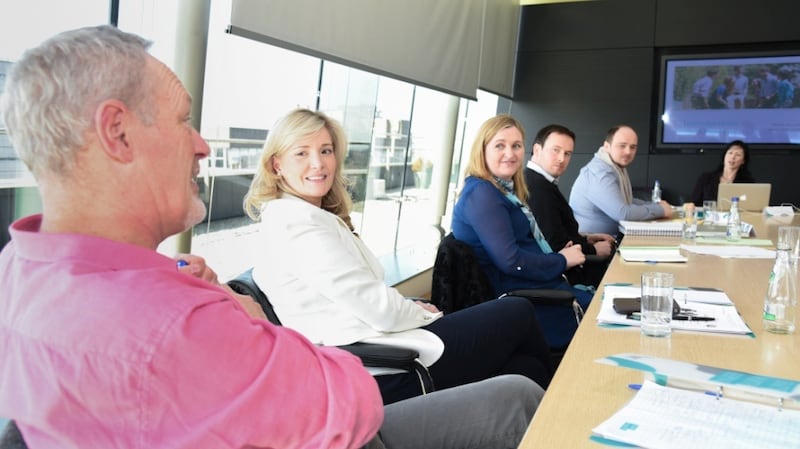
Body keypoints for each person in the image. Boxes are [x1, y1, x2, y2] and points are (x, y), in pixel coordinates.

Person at [0, 25, 542, 449]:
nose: (201, 147)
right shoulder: (174, 322)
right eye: (183, 122)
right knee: (518, 398)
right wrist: (244, 320)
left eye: (325, 151)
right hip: (349, 412)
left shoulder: (17, 270)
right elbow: (352, 405)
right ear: (117, 132)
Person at [245, 108, 554, 405]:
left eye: (326, 151)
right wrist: (425, 313)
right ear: (276, 165)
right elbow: (379, 310)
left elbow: (361, 297)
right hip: (378, 365)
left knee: (526, 368)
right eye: (302, 153)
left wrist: (409, 306)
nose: (318, 163)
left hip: (380, 341)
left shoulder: (305, 216)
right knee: (517, 311)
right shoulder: (296, 225)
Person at [450, 115, 591, 351]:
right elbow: (511, 262)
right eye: (500, 145)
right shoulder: (482, 194)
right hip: (526, 301)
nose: (510, 153)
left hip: (537, 289)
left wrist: (556, 259)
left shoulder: (502, 190)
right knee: (609, 316)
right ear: (482, 150)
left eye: (516, 146)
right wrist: (562, 260)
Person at [524, 124, 616, 288]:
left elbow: (554, 230)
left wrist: (586, 238)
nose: (562, 158)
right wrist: (594, 250)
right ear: (537, 150)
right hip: (563, 278)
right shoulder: (538, 188)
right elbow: (556, 244)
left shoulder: (541, 182)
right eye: (556, 150)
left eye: (567, 154)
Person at [569, 125, 673, 238]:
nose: (628, 152)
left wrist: (655, 205)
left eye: (633, 147)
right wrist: (660, 210)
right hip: (595, 247)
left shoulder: (614, 166)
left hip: (613, 239)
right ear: (607, 146)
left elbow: (625, 200)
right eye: (622, 146)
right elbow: (623, 213)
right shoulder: (600, 173)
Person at [690, 140, 755, 206]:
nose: (732, 157)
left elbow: (750, 205)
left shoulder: (747, 182)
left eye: (738, 155)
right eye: (730, 153)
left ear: (743, 161)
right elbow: (693, 202)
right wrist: (690, 205)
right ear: (724, 155)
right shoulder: (706, 178)